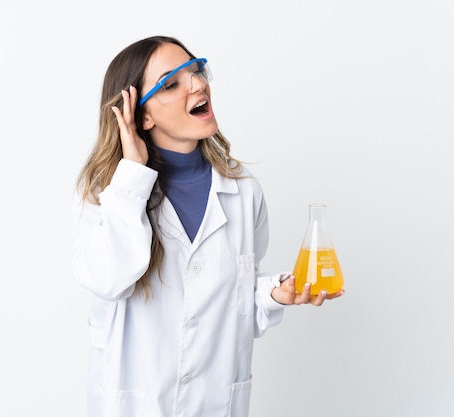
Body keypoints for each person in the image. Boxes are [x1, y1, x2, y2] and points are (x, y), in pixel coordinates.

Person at [72, 35, 344, 417]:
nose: (197, 84)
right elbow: (107, 279)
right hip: (137, 403)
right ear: (141, 116)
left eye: (195, 70)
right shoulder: (108, 192)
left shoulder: (243, 191)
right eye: (171, 83)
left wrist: (274, 293)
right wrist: (132, 174)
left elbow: (234, 300)